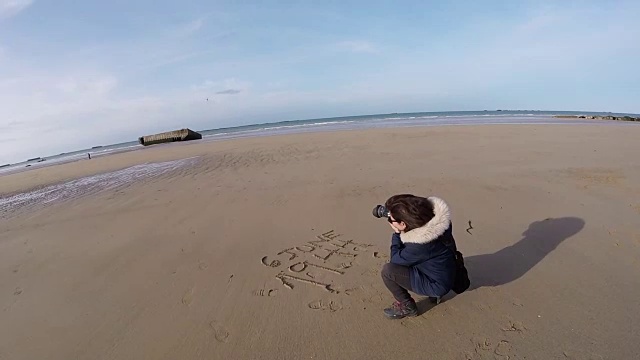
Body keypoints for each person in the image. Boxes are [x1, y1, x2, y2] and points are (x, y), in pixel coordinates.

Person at [380, 194, 458, 319]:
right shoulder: (440, 223)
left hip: (436, 284)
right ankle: (435, 296)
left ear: (403, 224)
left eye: (392, 219)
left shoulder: (419, 246)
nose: (390, 221)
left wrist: (396, 235)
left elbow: (395, 260)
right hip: (446, 271)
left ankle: (407, 306)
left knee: (388, 271)